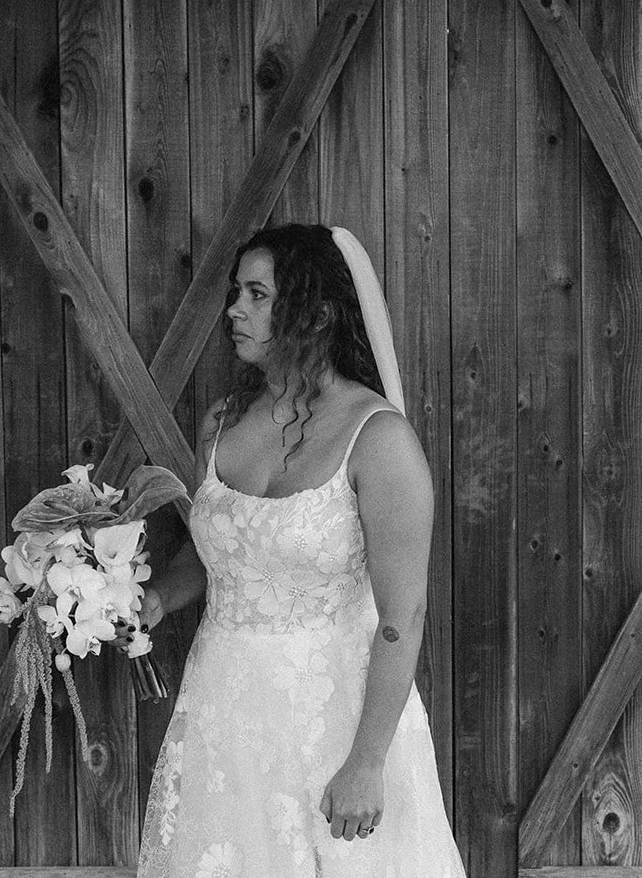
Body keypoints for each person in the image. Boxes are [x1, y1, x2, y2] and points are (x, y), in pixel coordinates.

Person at [136, 223, 465, 877]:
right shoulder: (221, 423)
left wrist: (367, 762)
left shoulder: (380, 440)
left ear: (314, 314)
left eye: (257, 294)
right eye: (238, 292)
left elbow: (406, 616)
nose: (235, 308)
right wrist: (152, 598)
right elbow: (217, 554)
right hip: (224, 709)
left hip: (339, 717)